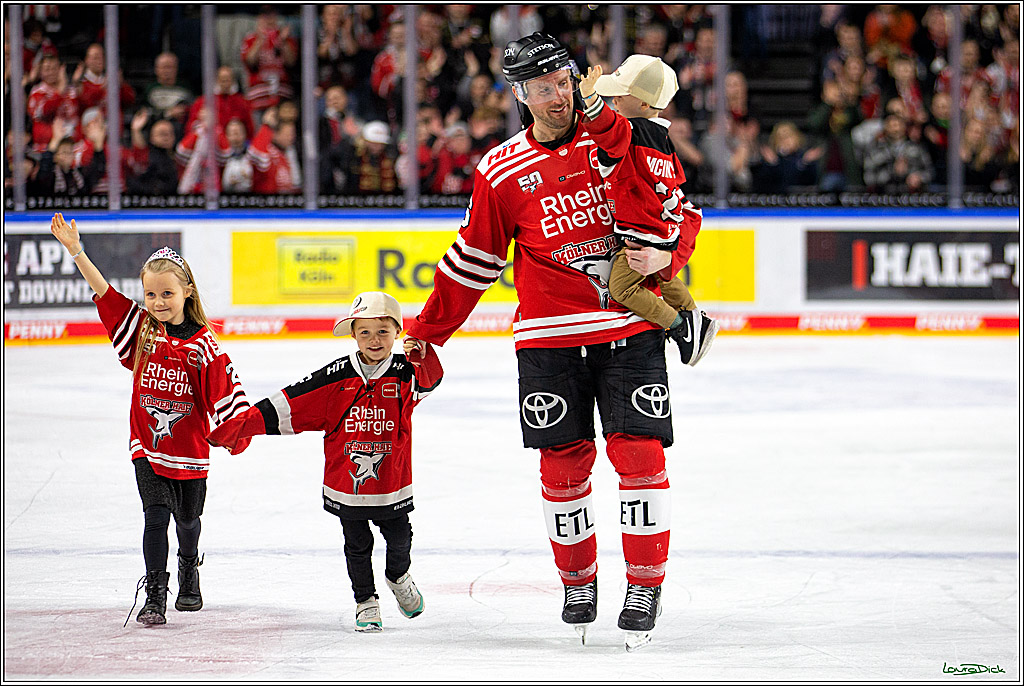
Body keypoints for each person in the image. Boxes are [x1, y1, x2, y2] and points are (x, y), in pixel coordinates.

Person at [404, 33, 697, 650]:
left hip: (627, 327)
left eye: (565, 81)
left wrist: (668, 258)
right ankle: (578, 581)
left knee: (640, 456)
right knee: (562, 468)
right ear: (519, 92)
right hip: (548, 339)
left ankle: (644, 585)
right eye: (545, 85)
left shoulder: (620, 134)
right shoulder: (500, 169)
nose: (560, 94)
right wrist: (427, 334)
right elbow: (473, 262)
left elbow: (681, 212)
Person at [47, 213, 251, 626]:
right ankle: (156, 592)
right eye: (151, 294)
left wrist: (236, 430)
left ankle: (189, 567)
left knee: (189, 521)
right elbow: (104, 292)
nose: (158, 302)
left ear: (186, 292)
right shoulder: (142, 330)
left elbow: (227, 395)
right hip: (148, 447)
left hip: (189, 454)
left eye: (167, 294)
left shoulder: (205, 347)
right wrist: (76, 251)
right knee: (155, 516)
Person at [206, 292, 442, 632]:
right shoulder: (335, 376)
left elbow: (430, 380)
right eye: (365, 332)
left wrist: (423, 353)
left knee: (400, 538)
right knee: (357, 547)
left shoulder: (406, 374)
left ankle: (397, 576)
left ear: (397, 332)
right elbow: (290, 403)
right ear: (353, 334)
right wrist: (235, 429)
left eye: (383, 331)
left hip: (393, 484)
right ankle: (366, 602)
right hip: (346, 485)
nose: (374, 340)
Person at [582, 54, 717, 365]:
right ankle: (696, 317)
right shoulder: (662, 138)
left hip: (644, 232)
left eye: (620, 93)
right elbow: (676, 182)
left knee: (621, 288)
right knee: (663, 277)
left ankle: (680, 326)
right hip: (661, 227)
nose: (613, 98)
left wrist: (591, 100)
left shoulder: (633, 131)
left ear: (643, 105)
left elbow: (608, 130)